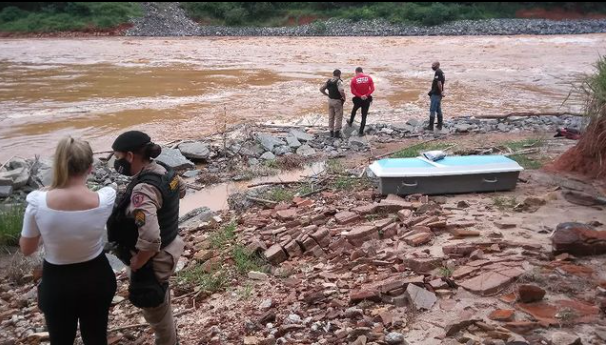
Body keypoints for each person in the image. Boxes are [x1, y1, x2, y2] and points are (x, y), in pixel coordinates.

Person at [20, 137, 117, 345]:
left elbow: (27, 248)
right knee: (97, 338)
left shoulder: (38, 202)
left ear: (58, 165)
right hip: (97, 278)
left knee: (61, 340)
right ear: (90, 168)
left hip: (58, 283)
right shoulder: (106, 198)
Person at [107, 130, 185, 345]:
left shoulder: (144, 188)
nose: (117, 162)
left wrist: (138, 262)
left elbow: (150, 238)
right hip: (171, 247)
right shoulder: (165, 171)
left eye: (118, 157)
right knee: (161, 302)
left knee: (155, 311)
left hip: (153, 260)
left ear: (130, 156)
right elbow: (181, 191)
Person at [348, 67, 375, 136]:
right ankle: (361, 132)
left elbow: (353, 91)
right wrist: (366, 95)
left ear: (356, 72)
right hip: (366, 99)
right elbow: (372, 89)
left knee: (354, 110)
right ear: (362, 71)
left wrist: (360, 96)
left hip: (358, 99)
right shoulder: (369, 78)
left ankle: (350, 121)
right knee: (364, 115)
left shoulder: (354, 80)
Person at [320, 69, 346, 138]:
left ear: (333, 74)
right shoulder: (339, 82)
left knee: (331, 117)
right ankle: (336, 133)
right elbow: (341, 90)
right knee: (338, 116)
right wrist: (344, 97)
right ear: (339, 74)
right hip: (337, 101)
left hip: (330, 100)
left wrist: (327, 94)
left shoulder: (328, 81)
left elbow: (321, 89)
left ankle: (331, 131)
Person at [427, 61, 446, 131]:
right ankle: (439, 125)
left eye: (433, 65)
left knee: (432, 109)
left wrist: (441, 92)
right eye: (432, 65)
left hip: (436, 94)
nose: (432, 66)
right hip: (438, 94)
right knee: (438, 109)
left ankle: (431, 127)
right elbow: (441, 83)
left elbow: (439, 83)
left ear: (438, 65)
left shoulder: (438, 71)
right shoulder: (442, 72)